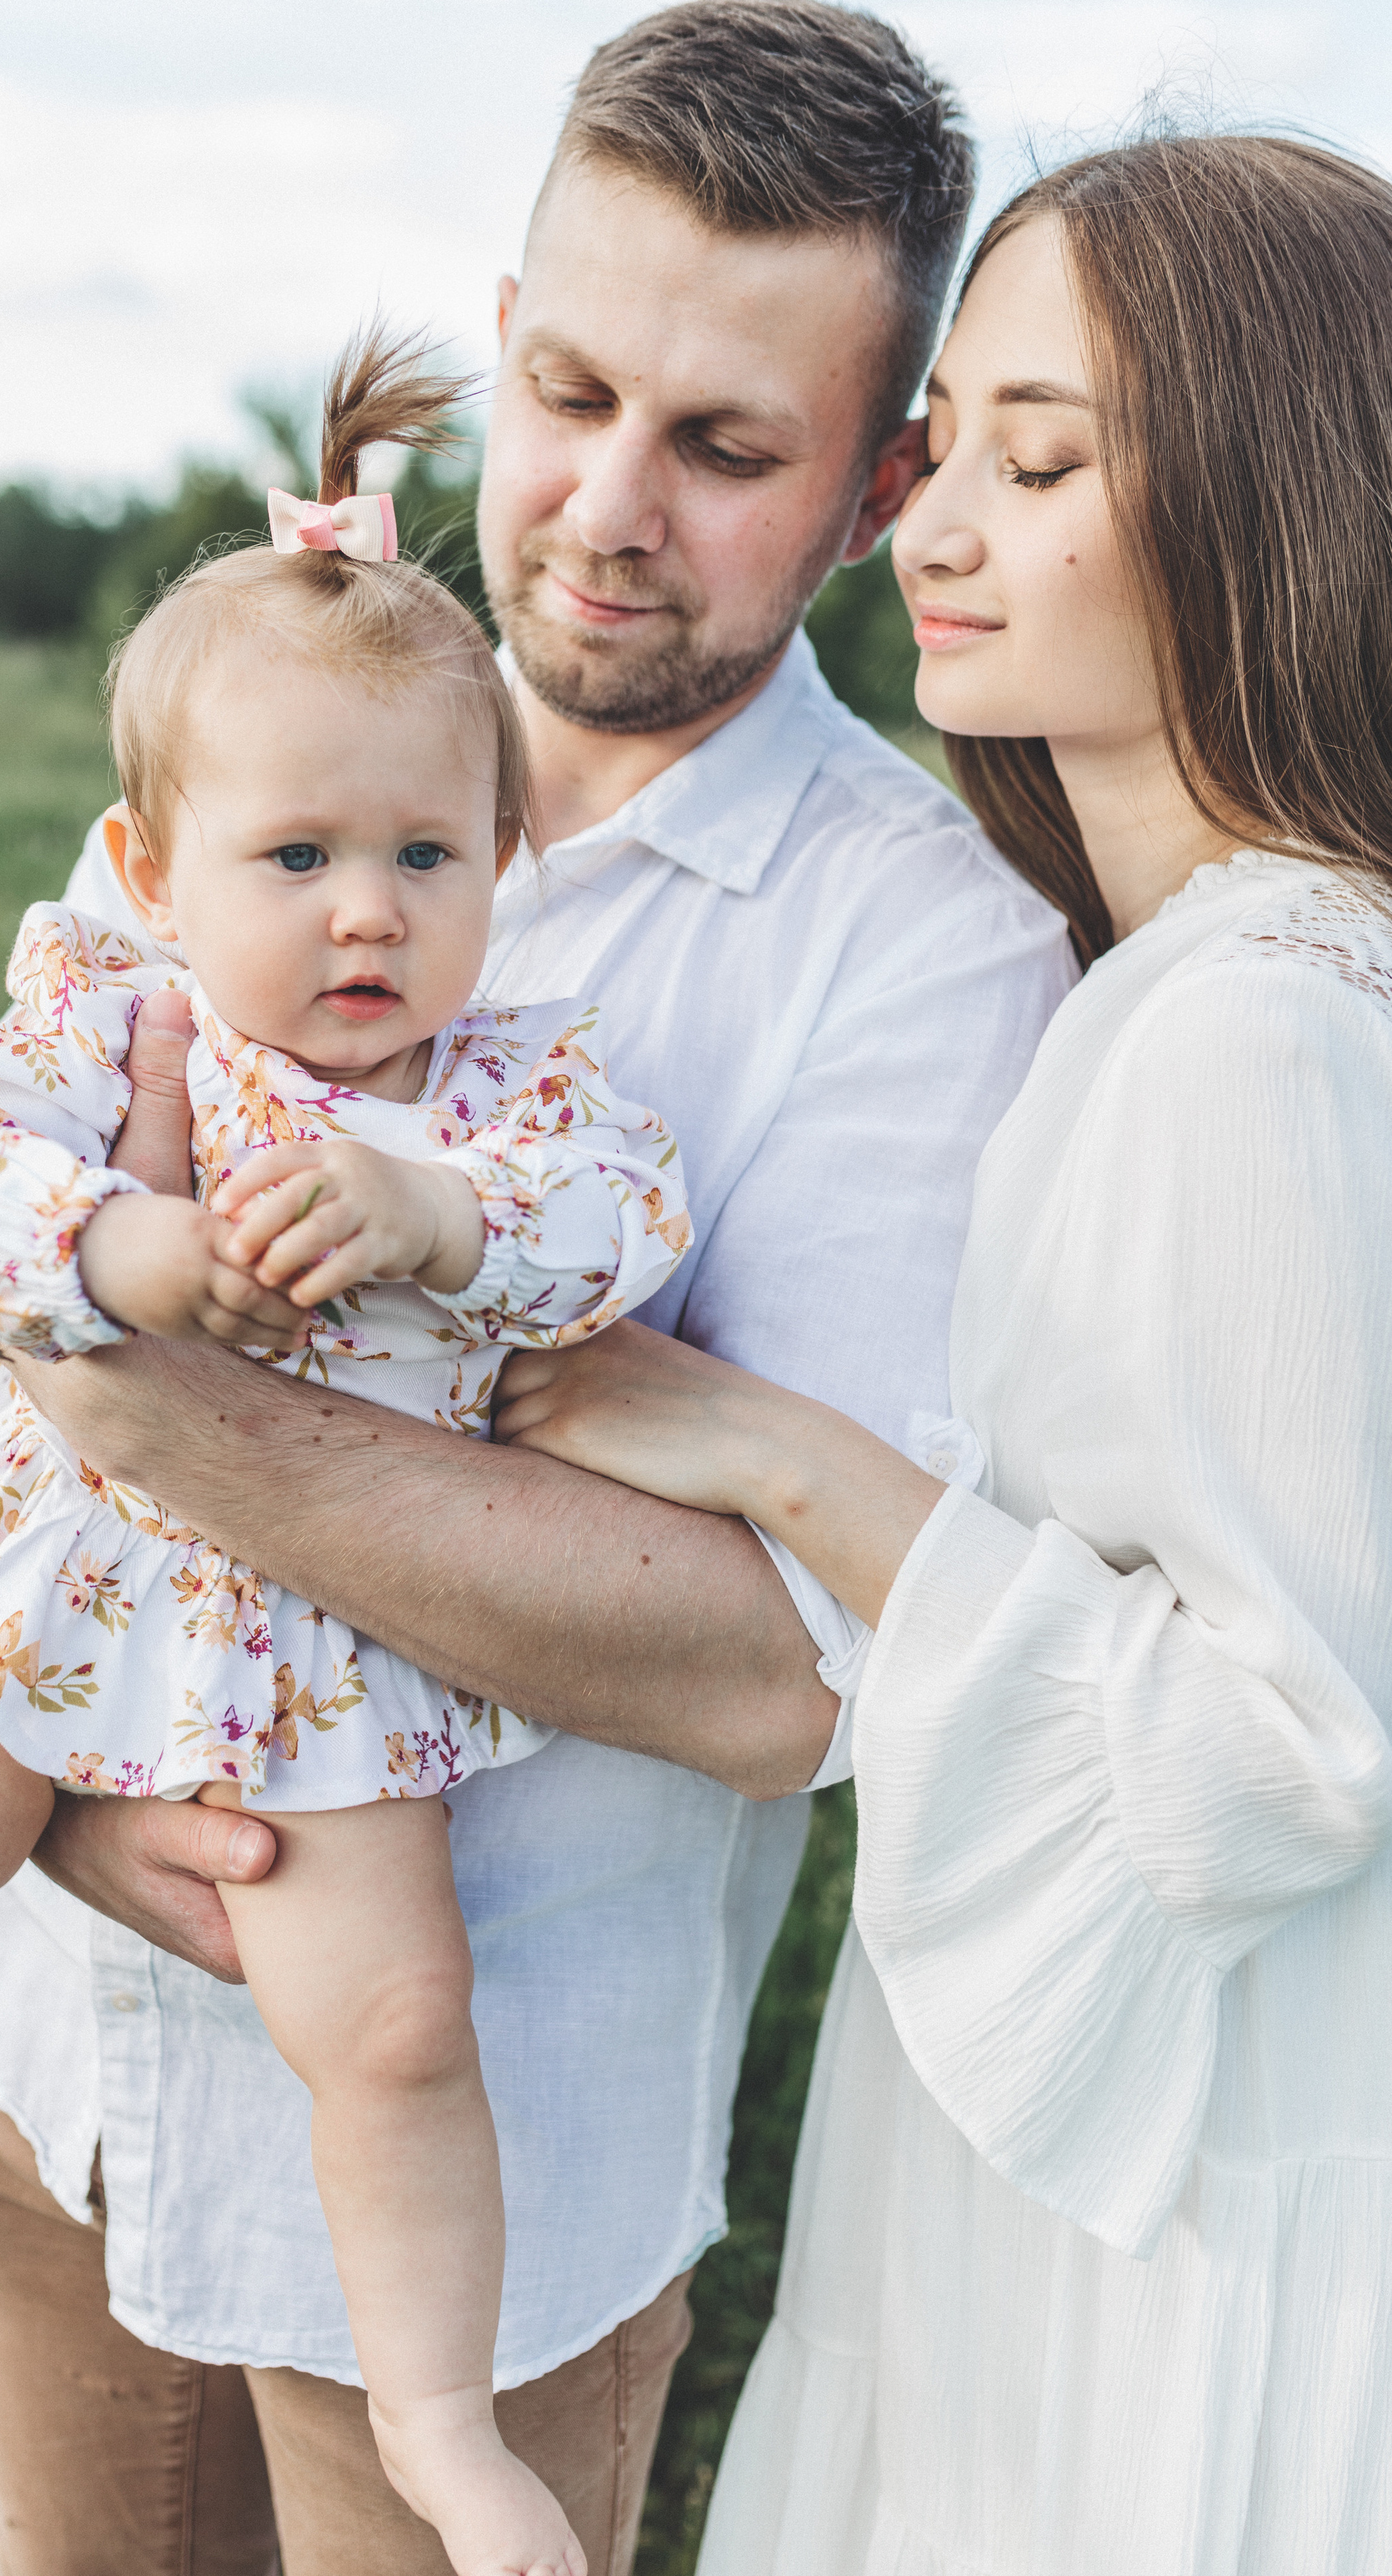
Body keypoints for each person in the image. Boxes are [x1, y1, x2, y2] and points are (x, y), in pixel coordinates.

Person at [0, 9, 1074, 2570]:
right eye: (572, 391)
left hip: (491, 2217)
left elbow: (776, 1676)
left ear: (869, 487)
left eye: (725, 450)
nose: (606, 507)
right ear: (500, 340)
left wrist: (152, 1414)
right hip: (59, 2058)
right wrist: (48, 1775)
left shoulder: (925, 956)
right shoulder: (289, 711)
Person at [0, 333, 702, 2576]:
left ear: (502, 863)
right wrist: (116, 1238)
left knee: (401, 2031)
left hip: (329, 1654)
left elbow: (630, 1222)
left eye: (430, 851)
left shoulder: (499, 1103)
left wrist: (438, 1219)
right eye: (302, 852)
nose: (368, 909)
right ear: (156, 864)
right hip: (51, 1576)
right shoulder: (108, 1023)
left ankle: (437, 2417)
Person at [494, 132, 1392, 2576]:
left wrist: (792, 1461)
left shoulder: (1260, 1032)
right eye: (943, 456)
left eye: (1044, 458)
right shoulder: (1180, 982)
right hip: (1104, 2164)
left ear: (1266, 488)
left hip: (1175, 2225)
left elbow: (1284, 1741)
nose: (936, 532)